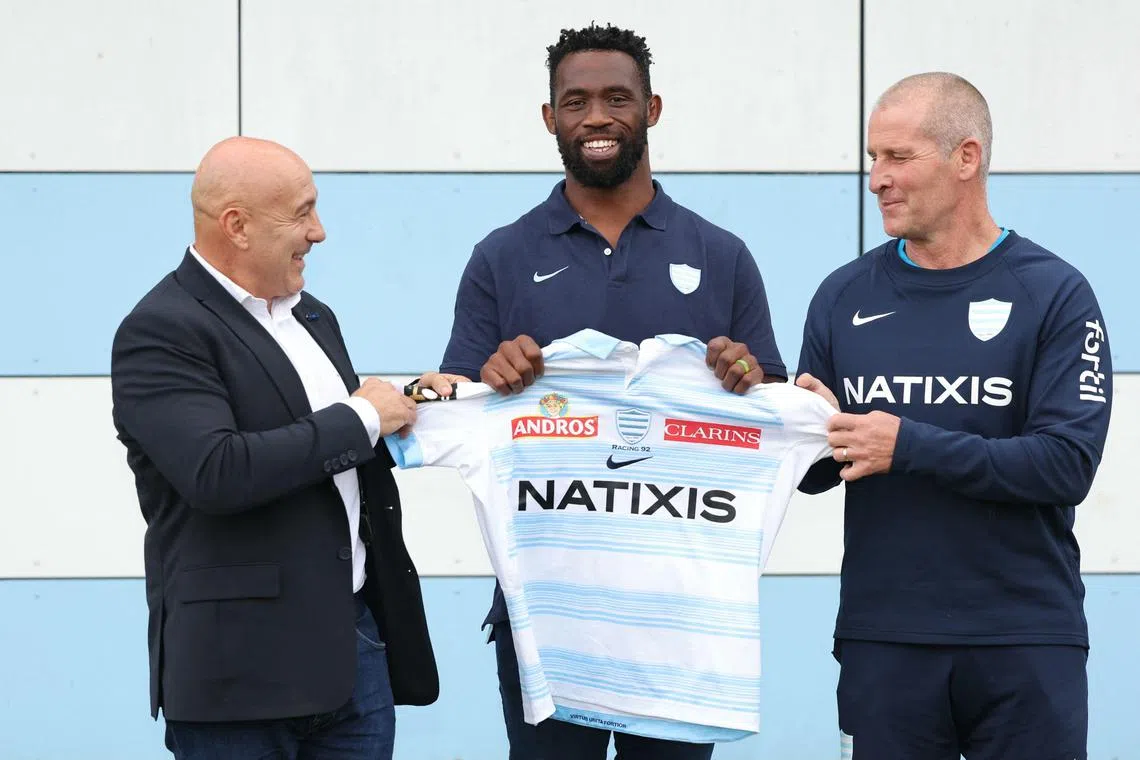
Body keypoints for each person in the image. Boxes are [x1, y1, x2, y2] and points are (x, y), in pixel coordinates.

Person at [422, 23, 786, 760]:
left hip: (680, 617)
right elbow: (447, 398)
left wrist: (747, 380)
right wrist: (483, 377)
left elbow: (775, 415)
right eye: (576, 100)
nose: (596, 117)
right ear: (549, 117)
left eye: (617, 98)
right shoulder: (502, 255)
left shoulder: (720, 255)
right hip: (545, 616)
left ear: (652, 109)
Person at [795, 73, 1113, 760]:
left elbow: (1066, 463)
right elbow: (818, 475)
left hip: (1025, 638)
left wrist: (907, 444)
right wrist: (795, 429)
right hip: (886, 639)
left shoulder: (1055, 294)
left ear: (965, 158)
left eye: (897, 158)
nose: (876, 178)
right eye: (871, 158)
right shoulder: (841, 295)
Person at [110, 136, 449, 760]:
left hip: (354, 652)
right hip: (239, 676)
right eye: (301, 212)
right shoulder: (161, 329)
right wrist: (363, 415)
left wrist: (409, 407)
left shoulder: (312, 315)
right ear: (236, 226)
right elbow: (217, 471)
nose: (318, 232)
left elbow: (324, 440)